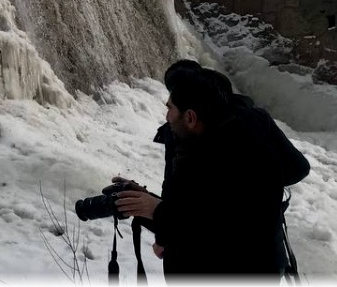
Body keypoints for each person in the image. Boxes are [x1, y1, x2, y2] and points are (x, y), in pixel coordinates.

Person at [114, 67, 307, 277]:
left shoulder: (207, 151)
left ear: (190, 117)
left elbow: (215, 226)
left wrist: (158, 214)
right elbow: (207, 210)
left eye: (170, 107)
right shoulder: (248, 125)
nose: (166, 116)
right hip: (266, 259)